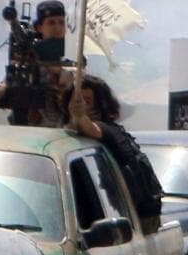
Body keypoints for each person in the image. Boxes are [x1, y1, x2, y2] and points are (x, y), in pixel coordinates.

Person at [65, 75, 163, 234]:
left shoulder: (109, 131)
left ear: (100, 105)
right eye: (76, 100)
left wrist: (80, 116)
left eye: (87, 101)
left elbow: (92, 129)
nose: (80, 104)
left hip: (139, 218)